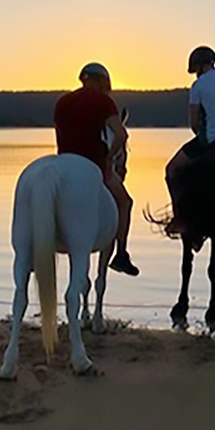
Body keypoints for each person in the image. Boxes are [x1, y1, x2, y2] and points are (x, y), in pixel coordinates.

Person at [53, 62, 139, 276]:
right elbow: (121, 136)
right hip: (94, 165)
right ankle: (121, 254)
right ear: (102, 82)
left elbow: (59, 137)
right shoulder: (104, 102)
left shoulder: (63, 101)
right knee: (125, 202)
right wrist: (109, 159)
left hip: (63, 165)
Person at [164, 46, 215, 235]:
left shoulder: (198, 86)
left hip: (210, 142)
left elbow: (193, 123)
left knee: (172, 169)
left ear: (198, 67)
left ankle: (180, 218)